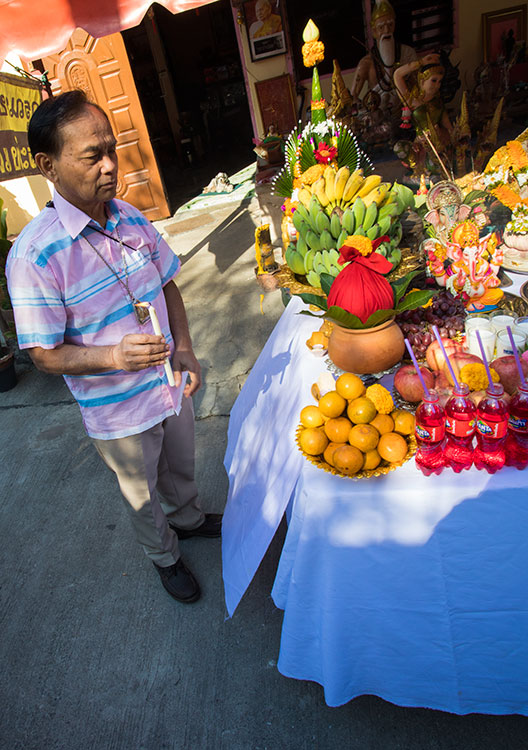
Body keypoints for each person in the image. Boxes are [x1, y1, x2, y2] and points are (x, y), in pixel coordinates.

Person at [6, 90, 221, 604]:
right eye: (91, 156)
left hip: (167, 384)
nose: (109, 167)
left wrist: (185, 348)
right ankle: (165, 556)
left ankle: (188, 520)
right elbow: (43, 354)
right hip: (117, 409)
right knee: (142, 492)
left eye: (112, 150)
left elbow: (168, 282)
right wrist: (112, 357)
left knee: (181, 464)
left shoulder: (127, 215)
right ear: (48, 165)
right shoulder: (34, 254)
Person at [350, 0, 417, 113]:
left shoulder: (408, 54)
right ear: (374, 31)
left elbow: (417, 86)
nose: (387, 31)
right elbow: (352, 98)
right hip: (377, 117)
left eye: (390, 25)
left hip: (404, 113)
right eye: (381, 27)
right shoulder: (366, 63)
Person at [393, 53, 453, 177]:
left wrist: (445, 136)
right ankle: (417, 169)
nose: (437, 85)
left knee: (436, 163)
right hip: (418, 146)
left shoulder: (438, 104)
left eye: (440, 82)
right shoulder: (412, 101)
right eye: (434, 81)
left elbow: (449, 129)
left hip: (436, 146)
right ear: (422, 80)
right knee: (399, 147)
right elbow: (397, 75)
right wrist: (420, 62)